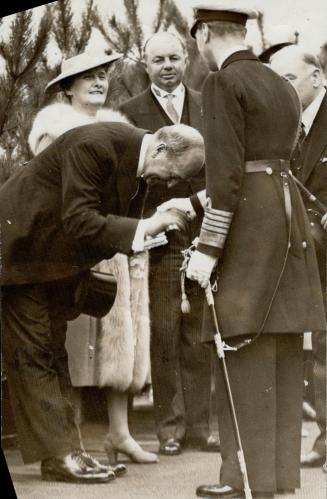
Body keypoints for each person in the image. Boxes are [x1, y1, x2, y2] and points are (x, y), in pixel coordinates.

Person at [159, 2, 325, 498]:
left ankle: (243, 481)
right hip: (285, 218)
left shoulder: (220, 84)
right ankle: (273, 478)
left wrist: (208, 247)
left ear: (204, 32)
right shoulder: (278, 80)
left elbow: (225, 175)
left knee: (241, 347)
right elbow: (289, 158)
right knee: (280, 351)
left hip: (247, 227)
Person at [0, 120, 204, 483]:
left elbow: (105, 225)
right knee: (36, 353)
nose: (170, 185)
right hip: (20, 253)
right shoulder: (96, 145)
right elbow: (79, 219)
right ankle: (62, 455)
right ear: (159, 149)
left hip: (46, 261)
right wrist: (146, 227)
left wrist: (143, 231)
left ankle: (67, 453)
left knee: (51, 351)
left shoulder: (137, 165)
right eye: (173, 175)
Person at [29, 50, 158, 467]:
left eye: (104, 76)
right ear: (66, 87)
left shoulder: (117, 129)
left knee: (121, 340)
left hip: (115, 242)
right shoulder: (53, 130)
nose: (99, 82)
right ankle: (74, 440)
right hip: (73, 247)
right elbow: (56, 201)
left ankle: (120, 433)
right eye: (88, 77)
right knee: (78, 345)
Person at [120, 31, 218, 456]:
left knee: (200, 336)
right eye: (157, 59)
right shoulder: (129, 112)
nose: (167, 66)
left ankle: (201, 427)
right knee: (163, 333)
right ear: (145, 64)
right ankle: (170, 428)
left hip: (204, 236)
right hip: (159, 238)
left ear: (185, 59)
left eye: (174, 58)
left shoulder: (208, 105)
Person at [270, 45, 327, 471]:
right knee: (320, 348)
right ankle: (326, 440)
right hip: (303, 248)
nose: (280, 89)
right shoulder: (280, 124)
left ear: (318, 76)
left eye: (288, 79)